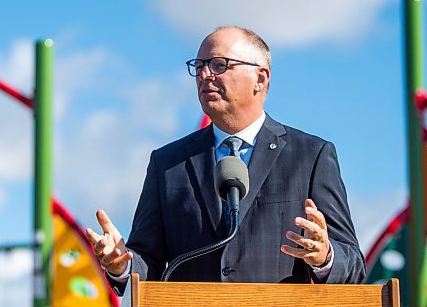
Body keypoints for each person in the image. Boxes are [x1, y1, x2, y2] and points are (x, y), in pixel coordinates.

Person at [86, 26, 365, 295]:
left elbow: (353, 266)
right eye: (199, 66)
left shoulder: (310, 155)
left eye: (219, 65)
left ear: (261, 78)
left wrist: (325, 255)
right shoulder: (167, 163)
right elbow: (149, 264)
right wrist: (123, 265)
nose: (205, 74)